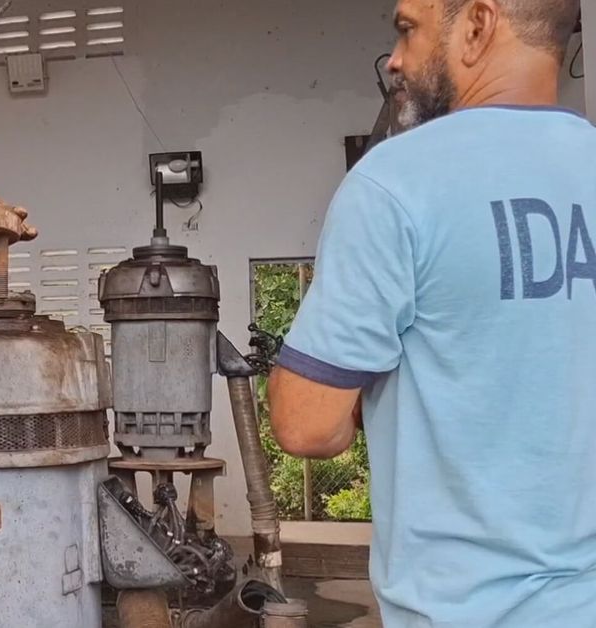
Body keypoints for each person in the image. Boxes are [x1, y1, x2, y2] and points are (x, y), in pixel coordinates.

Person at [268, 0, 594, 626]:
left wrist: (360, 398)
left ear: (477, 25)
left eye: (408, 30)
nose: (395, 60)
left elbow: (306, 426)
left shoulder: (396, 182)